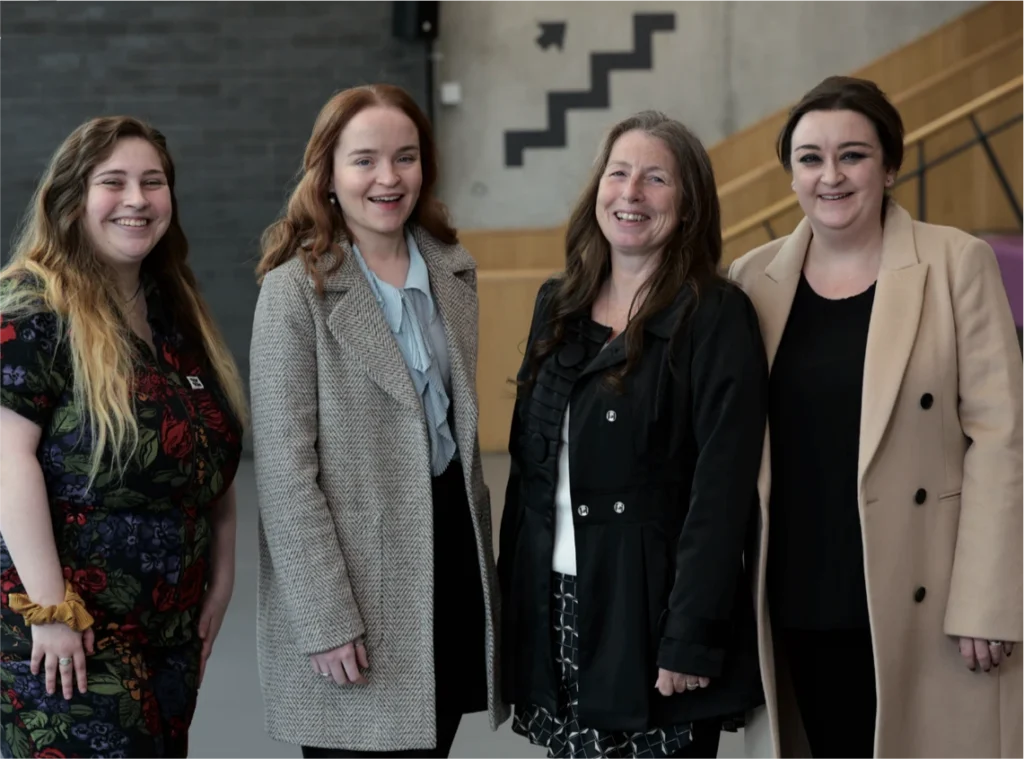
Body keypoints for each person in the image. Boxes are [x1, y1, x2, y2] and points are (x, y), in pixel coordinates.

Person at [729, 75, 1024, 759]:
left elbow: (1003, 438)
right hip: (797, 587)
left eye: (853, 155)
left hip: (926, 589)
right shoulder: (752, 276)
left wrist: (988, 597)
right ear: (791, 173)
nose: (830, 176)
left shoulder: (957, 263)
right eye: (810, 158)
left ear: (891, 165)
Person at [498, 110, 768, 759]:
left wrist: (689, 634)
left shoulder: (716, 314)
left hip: (651, 616)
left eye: (656, 179)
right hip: (555, 600)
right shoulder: (557, 303)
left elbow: (721, 491)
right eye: (619, 173)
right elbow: (529, 478)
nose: (631, 194)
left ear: (690, 202)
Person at [250, 83, 507, 758]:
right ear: (328, 174)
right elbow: (284, 473)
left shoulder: (452, 270)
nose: (388, 178)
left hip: (447, 556)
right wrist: (325, 617)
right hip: (354, 579)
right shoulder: (292, 290)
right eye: (364, 160)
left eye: (406, 157)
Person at [0, 116, 247, 759]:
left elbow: (210, 454)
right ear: (72, 199)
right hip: (70, 632)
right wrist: (51, 611)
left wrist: (221, 579)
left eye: (153, 182)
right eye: (113, 182)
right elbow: (6, 459)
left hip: (170, 630)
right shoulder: (31, 307)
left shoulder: (172, 309)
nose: (137, 199)